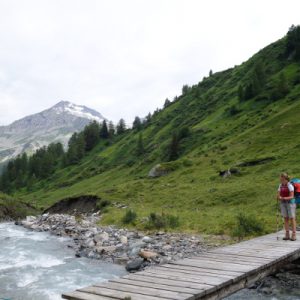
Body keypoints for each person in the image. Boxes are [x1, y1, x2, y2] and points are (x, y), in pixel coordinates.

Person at [277, 173, 296, 241]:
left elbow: (292, 196)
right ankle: (287, 234)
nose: (280, 179)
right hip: (283, 203)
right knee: (285, 218)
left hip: (290, 203)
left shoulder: (290, 185)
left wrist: (283, 198)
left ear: (284, 178)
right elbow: (278, 195)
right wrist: (278, 197)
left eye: (281, 178)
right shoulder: (280, 185)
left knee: (292, 218)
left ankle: (293, 234)